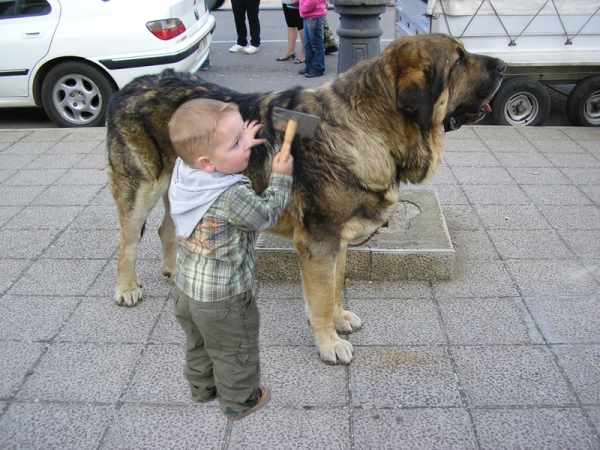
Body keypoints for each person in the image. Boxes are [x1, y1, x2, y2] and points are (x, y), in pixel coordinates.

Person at [168, 99, 294, 420]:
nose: (246, 145)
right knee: (234, 347)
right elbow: (264, 216)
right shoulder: (232, 195)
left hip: (186, 288)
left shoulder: (185, 171)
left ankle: (202, 389)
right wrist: (280, 177)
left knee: (198, 342)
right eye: (236, 142)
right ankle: (239, 401)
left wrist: (239, 144)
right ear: (208, 161)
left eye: (242, 135)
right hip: (223, 297)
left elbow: (218, 158)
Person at [299, 0, 326, 78]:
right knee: (308, 44)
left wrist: (303, 8)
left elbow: (313, 1)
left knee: (315, 43)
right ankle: (310, 67)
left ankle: (318, 68)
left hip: (314, 17)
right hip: (308, 16)